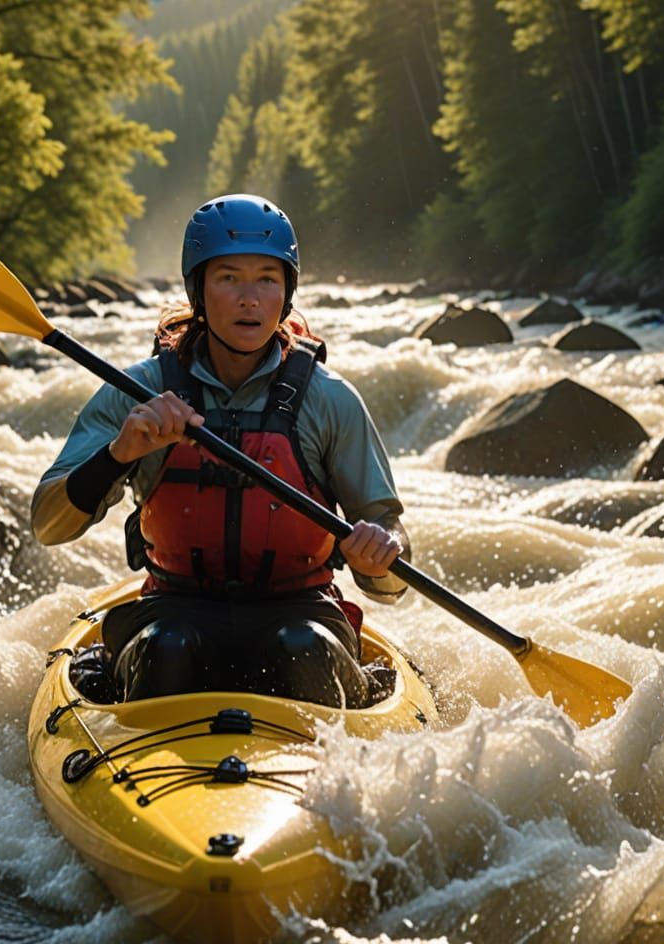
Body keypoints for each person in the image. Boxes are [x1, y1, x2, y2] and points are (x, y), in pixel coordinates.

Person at [31, 194, 410, 708]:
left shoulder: (330, 399)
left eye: (267, 279)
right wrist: (119, 453)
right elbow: (49, 526)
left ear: (287, 292)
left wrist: (380, 551)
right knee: (164, 649)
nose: (249, 298)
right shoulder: (139, 392)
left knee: (303, 649)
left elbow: (389, 580)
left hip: (301, 612)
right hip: (173, 609)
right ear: (199, 292)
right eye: (228, 278)